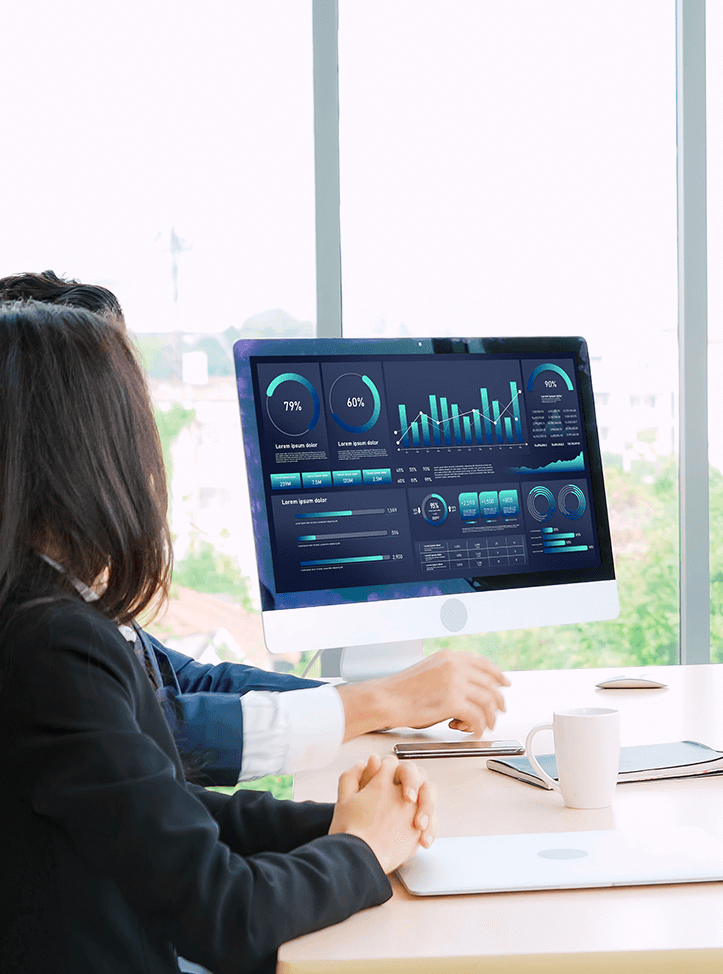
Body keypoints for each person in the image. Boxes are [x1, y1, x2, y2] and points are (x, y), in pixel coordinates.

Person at [0, 304, 438, 974]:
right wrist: (359, 851)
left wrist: (340, 823)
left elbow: (167, 813)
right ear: (95, 450)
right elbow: (226, 916)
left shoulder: (43, 611)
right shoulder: (51, 646)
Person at [0, 270, 513, 786]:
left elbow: (194, 683)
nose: (139, 433)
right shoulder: (38, 630)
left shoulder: (65, 594)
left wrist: (385, 700)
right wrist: (380, 701)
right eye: (120, 404)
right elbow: (163, 733)